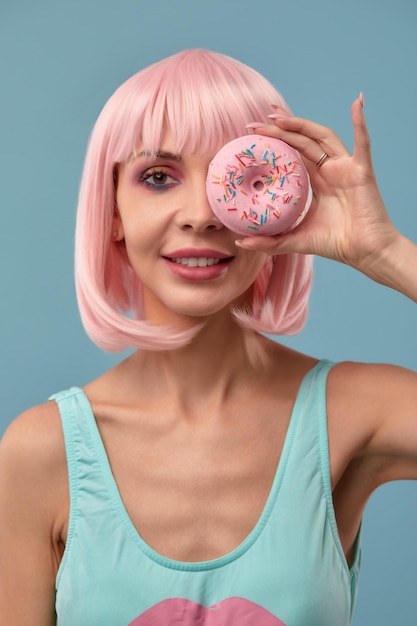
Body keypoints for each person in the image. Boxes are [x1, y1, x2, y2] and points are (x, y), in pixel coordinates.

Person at [0, 49, 416, 626]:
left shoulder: (358, 415)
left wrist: (386, 253)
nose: (202, 214)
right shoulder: (41, 452)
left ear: (285, 205)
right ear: (113, 208)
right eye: (158, 176)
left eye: (238, 177)